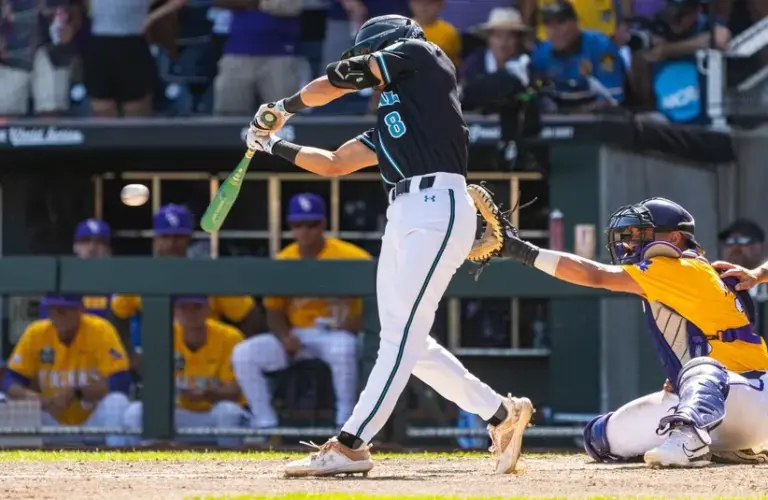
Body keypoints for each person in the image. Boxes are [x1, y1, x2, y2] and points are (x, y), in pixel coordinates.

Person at [245, 14, 533, 477]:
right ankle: (501, 413)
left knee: (400, 338)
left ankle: (352, 443)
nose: (362, 64)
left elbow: (343, 78)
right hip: (402, 213)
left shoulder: (424, 55)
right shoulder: (400, 114)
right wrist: (272, 144)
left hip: (438, 205)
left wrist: (286, 105)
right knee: (407, 342)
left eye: (368, 54)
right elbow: (336, 163)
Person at [499, 196, 768, 467]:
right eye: (632, 234)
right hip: (727, 405)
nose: (630, 242)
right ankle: (725, 444)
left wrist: (524, 252)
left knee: (701, 369)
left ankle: (692, 443)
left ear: (674, 237)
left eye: (642, 234)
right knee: (600, 440)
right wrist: (758, 273)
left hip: (748, 394)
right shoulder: (690, 269)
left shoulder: (674, 267)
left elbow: (594, 275)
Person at [232, 193, 369, 430]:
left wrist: (351, 325)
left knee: (343, 348)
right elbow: (273, 310)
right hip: (297, 334)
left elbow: (374, 306)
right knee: (244, 353)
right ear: (290, 227)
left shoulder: (352, 256)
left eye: (312, 224)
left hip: (336, 332)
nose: (305, 231)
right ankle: (265, 425)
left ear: (323, 225)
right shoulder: (283, 260)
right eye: (298, 225)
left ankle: (345, 424)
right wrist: (285, 336)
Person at [110, 204, 263, 342]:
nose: (171, 243)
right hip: (157, 354)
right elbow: (117, 314)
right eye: (165, 236)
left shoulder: (208, 274)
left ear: (189, 238)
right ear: (155, 239)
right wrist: (130, 355)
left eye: (178, 236)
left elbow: (250, 315)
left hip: (205, 358)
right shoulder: (142, 275)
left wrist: (233, 351)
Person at [1, 294, 131, 447]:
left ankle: (117, 464)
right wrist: (35, 398)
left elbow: (121, 382)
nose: (58, 317)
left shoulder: (100, 330)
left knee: (117, 402)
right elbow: (10, 380)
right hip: (51, 420)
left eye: (64, 311)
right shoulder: (37, 333)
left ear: (80, 310)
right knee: (3, 399)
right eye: (53, 311)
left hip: (92, 423)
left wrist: (77, 393)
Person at [122, 297, 246, 447]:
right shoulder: (164, 335)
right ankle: (145, 465)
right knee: (135, 412)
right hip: (178, 417)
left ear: (208, 310)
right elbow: (152, 387)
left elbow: (234, 391)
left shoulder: (229, 336)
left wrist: (209, 394)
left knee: (229, 411)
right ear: (174, 311)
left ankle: (231, 466)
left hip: (213, 416)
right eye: (184, 308)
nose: (190, 313)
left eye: (197, 307)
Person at [530, 0, 625, 113]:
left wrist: (574, 116)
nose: (554, 31)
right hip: (559, 117)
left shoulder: (600, 47)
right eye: (548, 24)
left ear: (576, 22)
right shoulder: (541, 54)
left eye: (560, 23)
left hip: (599, 119)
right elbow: (533, 93)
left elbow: (612, 100)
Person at [39, 219, 113, 320]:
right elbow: (47, 320)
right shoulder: (62, 279)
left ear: (108, 249)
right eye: (86, 241)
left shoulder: (117, 280)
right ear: (75, 246)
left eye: (100, 242)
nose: (92, 247)